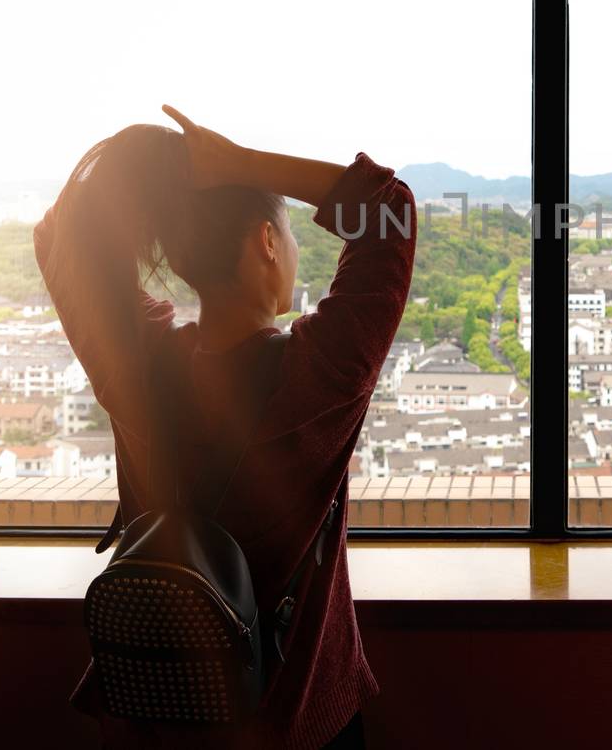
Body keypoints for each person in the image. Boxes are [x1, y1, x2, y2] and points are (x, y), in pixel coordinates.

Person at [32, 105, 417, 749]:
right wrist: (234, 163)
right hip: (293, 719)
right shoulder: (316, 378)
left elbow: (56, 238)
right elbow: (391, 211)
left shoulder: (138, 366)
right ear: (267, 242)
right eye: (290, 236)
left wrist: (157, 170)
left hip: (159, 715)